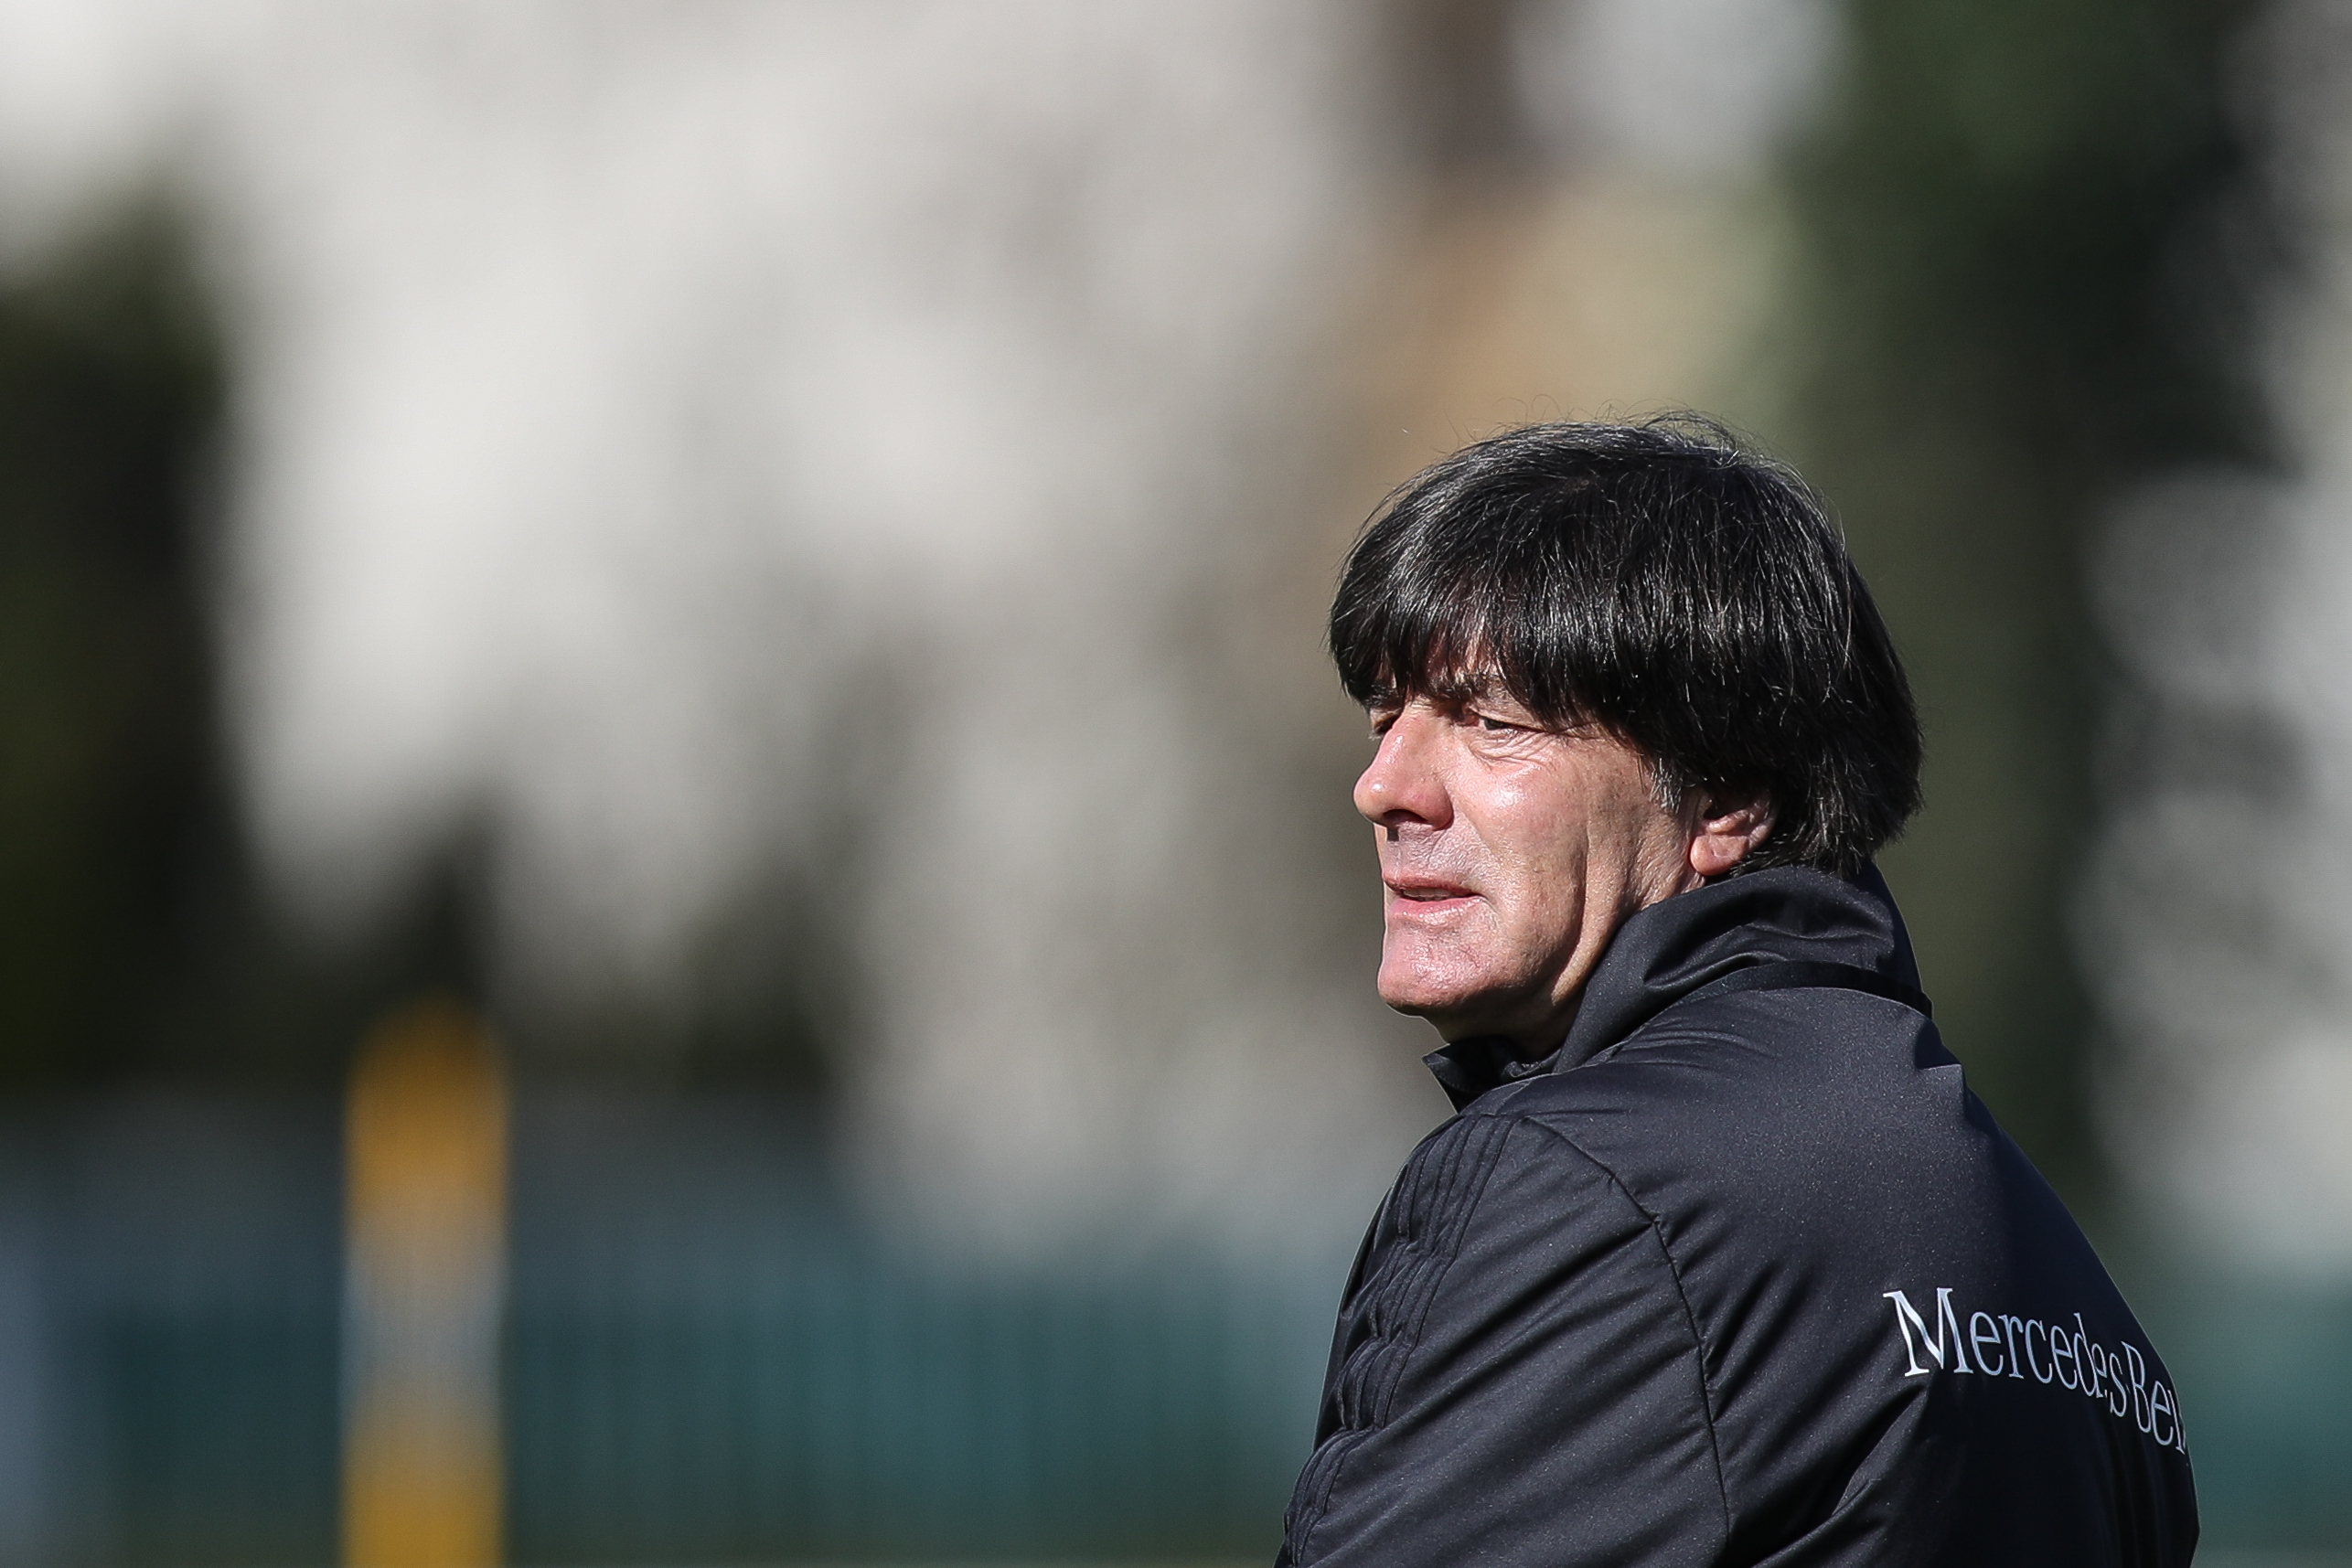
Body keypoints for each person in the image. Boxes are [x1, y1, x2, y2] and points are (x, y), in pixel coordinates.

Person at [1276, 418, 2196, 1567]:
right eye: (1384, 717)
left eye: (1490, 723)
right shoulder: (2081, 1310)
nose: (1383, 784)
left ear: (1727, 800)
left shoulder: (1590, 1190)